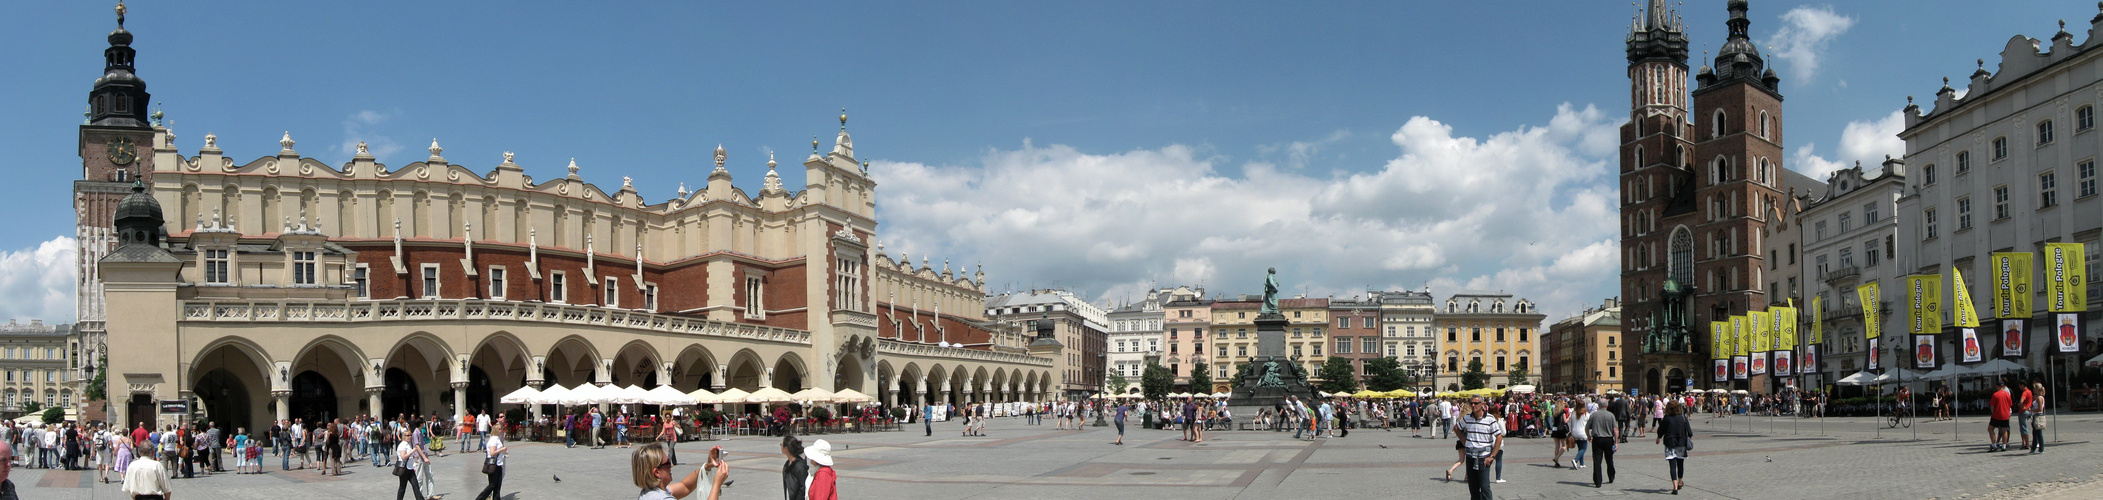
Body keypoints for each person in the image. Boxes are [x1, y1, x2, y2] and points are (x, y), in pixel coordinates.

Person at [633, 442, 726, 500]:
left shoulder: (650, 492)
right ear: (657, 472)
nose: (672, 465)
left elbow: (685, 486)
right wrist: (716, 484)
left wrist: (706, 467)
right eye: (668, 463)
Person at [1454, 397, 1503, 500]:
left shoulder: (1489, 419)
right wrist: (1464, 441)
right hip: (1470, 456)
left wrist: (1492, 456)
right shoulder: (1467, 418)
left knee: (1485, 486)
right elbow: (1456, 428)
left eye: (1476, 403)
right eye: (1471, 403)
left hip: (1484, 457)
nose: (1473, 405)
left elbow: (1499, 437)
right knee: (1473, 486)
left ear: (1482, 404)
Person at [1656, 401, 1693, 494]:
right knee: (1680, 464)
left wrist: (1658, 438)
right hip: (1681, 444)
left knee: (1672, 466)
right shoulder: (1683, 418)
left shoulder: (1666, 419)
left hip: (1670, 444)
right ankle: (1680, 482)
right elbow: (1690, 433)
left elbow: (1660, 431)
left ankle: (1675, 487)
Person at [474, 417, 508, 500]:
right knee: (492, 484)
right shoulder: (493, 439)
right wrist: (502, 449)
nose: (501, 430)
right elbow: (492, 452)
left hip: (498, 463)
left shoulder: (497, 439)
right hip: (493, 464)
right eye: (500, 429)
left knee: (498, 484)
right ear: (496, 430)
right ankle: (480, 498)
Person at [1586, 402, 1619, 488]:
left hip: (1597, 439)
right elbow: (1615, 429)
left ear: (1599, 406)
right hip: (1608, 439)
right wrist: (1616, 442)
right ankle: (1611, 476)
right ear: (1607, 405)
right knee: (1609, 459)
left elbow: (1586, 427)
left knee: (1597, 461)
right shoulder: (1611, 415)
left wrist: (1588, 436)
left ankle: (1598, 481)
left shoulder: (1594, 415)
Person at [395, 430, 427, 500]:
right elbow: (403, 456)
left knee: (415, 485)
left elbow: (409, 455)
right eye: (407, 435)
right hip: (404, 468)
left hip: (410, 468)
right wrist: (412, 451)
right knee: (402, 487)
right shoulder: (402, 445)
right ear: (404, 436)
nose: (409, 437)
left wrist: (414, 456)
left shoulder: (408, 444)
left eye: (410, 435)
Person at [780, 434, 809, 500]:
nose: (781, 447)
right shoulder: (787, 464)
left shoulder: (799, 466)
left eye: (781, 445)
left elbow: (803, 487)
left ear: (786, 448)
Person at [1988, 377, 2013, 452]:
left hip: (1997, 415)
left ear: (1998, 386)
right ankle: (2004, 445)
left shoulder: (1995, 395)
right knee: (2004, 430)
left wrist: (1993, 413)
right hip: (2005, 415)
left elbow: (1992, 406)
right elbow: (2010, 405)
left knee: (1990, 429)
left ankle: (1994, 444)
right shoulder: (2007, 394)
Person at [2026, 381, 2046, 454]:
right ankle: (2034, 448)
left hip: (2038, 416)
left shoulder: (2039, 398)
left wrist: (2032, 409)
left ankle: (2041, 448)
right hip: (2036, 415)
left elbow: (2040, 409)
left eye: (2034, 389)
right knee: (2035, 433)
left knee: (2038, 433)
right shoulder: (2038, 397)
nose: (2033, 390)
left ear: (2038, 389)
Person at [1570, 403, 1591, 468]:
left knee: (1580, 448)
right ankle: (1575, 460)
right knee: (1583, 448)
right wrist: (1590, 434)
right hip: (1583, 432)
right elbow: (1589, 425)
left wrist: (1570, 431)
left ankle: (1582, 464)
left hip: (1574, 432)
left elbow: (1570, 423)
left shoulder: (1573, 413)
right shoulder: (1586, 414)